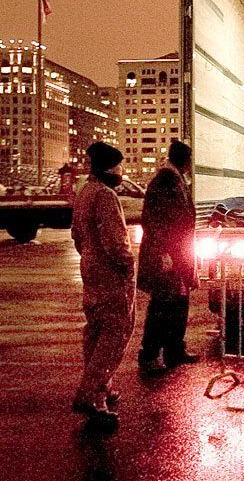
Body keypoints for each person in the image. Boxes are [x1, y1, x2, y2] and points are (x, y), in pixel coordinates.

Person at [71, 142, 136, 429]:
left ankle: (104, 387)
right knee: (115, 334)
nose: (121, 172)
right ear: (110, 168)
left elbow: (77, 235)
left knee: (96, 333)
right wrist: (127, 263)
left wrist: (89, 257)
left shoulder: (84, 192)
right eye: (119, 167)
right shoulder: (106, 196)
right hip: (111, 274)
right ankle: (92, 394)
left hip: (91, 270)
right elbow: (115, 241)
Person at [137, 140, 199, 373]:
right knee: (162, 305)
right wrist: (164, 253)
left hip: (177, 253)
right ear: (184, 160)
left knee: (178, 302)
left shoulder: (174, 179)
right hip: (168, 255)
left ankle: (174, 350)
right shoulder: (166, 181)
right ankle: (150, 355)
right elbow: (157, 221)